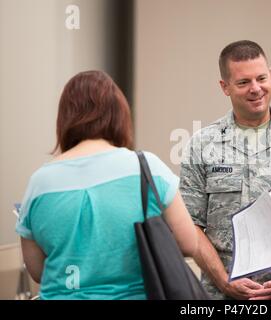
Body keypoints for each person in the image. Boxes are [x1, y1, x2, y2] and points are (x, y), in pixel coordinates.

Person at [16, 70, 198, 299]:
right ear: (118, 115)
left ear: (64, 118)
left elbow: (38, 271)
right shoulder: (146, 168)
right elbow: (189, 243)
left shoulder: (39, 182)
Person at [180, 40, 271, 300]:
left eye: (262, 78)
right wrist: (224, 282)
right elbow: (191, 226)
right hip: (223, 297)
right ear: (225, 87)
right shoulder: (201, 145)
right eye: (244, 82)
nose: (256, 89)